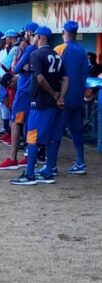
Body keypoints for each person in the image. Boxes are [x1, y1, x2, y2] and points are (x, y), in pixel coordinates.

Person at [11, 26, 68, 186]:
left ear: (41, 37)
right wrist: (60, 96)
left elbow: (41, 80)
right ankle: (48, 170)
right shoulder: (56, 55)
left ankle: (29, 174)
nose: (34, 38)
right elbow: (65, 79)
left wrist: (54, 94)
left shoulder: (36, 54)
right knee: (51, 138)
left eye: (36, 36)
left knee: (32, 137)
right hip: (54, 104)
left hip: (41, 102)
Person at [0, 22, 39, 170]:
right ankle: (28, 155)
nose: (23, 37)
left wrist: (22, 63)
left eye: (25, 33)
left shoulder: (31, 48)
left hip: (24, 89)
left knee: (16, 123)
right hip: (31, 90)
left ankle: (13, 158)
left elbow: (16, 68)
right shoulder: (40, 50)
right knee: (28, 124)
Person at [52, 20, 89, 175]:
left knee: (56, 132)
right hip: (78, 98)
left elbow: (53, 74)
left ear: (64, 32)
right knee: (77, 132)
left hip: (63, 97)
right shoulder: (82, 51)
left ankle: (51, 166)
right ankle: (81, 163)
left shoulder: (60, 48)